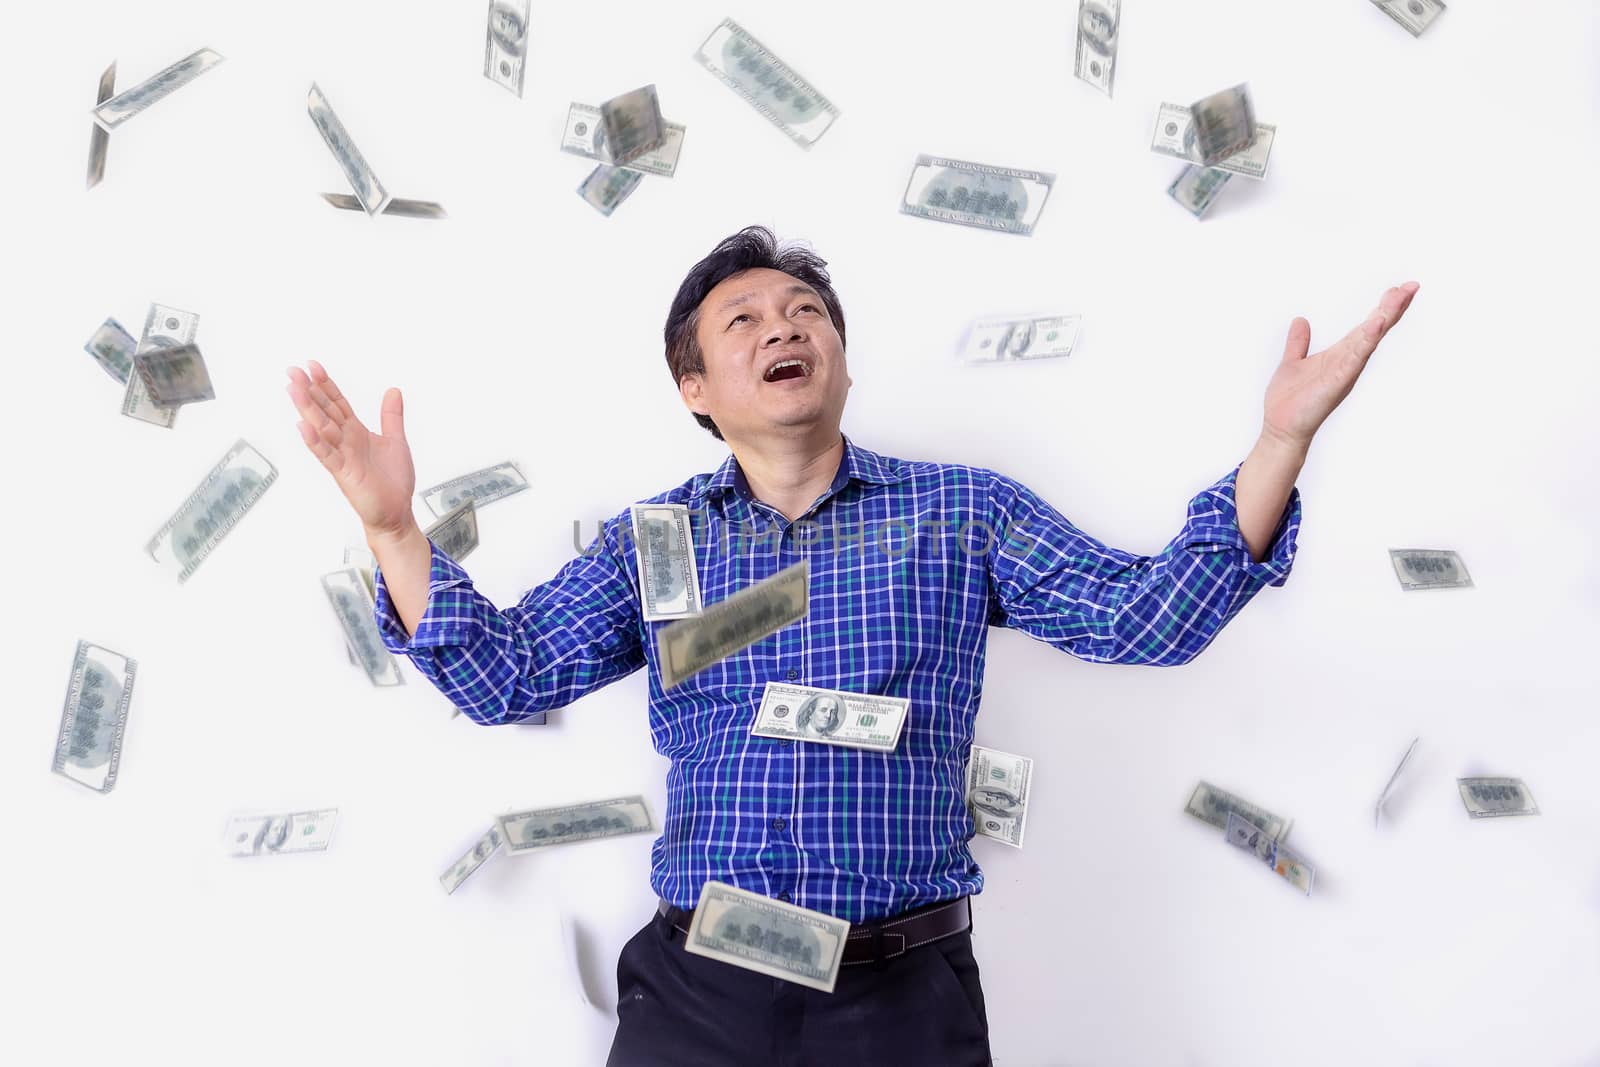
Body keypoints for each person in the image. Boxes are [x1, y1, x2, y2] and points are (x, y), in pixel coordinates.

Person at [285, 226, 1419, 1065]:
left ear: (837, 351)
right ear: (695, 386)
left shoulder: (962, 512)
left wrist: (1278, 441)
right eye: (745, 320)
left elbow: (1145, 619)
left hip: (898, 1002)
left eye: (806, 311)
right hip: (697, 996)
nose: (785, 326)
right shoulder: (655, 542)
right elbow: (508, 675)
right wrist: (391, 525)